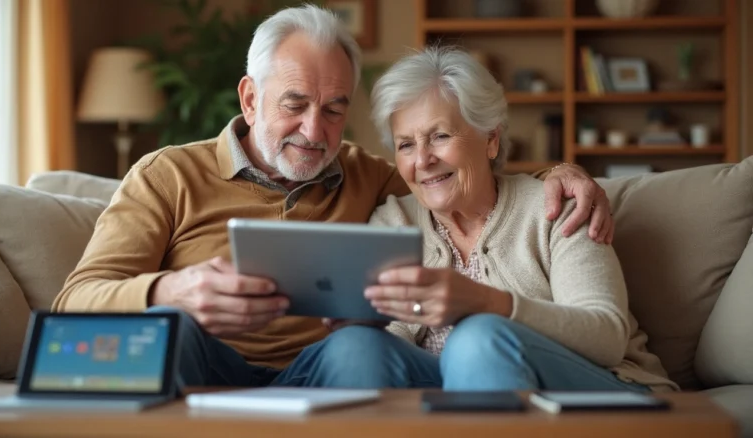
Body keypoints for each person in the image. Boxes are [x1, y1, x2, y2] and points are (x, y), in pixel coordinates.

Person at [52, 5, 614, 389]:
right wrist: (170, 289)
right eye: (294, 103)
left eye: (335, 109)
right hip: (208, 361)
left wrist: (564, 173)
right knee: (164, 335)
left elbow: (461, 182)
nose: (315, 131)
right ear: (250, 99)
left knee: (358, 350)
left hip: (327, 371)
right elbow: (74, 302)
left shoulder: (373, 180)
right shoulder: (166, 175)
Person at [366, 47, 678, 392]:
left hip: (595, 387)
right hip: (448, 393)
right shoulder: (393, 221)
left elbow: (607, 335)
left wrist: (490, 304)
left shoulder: (556, 208)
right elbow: (388, 337)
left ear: (491, 140)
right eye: (406, 144)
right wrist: (363, 326)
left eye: (440, 136)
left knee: (477, 339)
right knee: (356, 347)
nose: (422, 160)